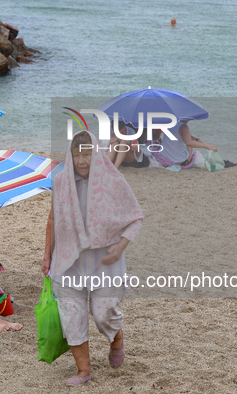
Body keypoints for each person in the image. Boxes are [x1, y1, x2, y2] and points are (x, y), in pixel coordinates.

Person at [42, 131, 143, 385]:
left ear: (95, 153)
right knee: (72, 315)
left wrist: (120, 246)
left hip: (105, 261)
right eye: (77, 155)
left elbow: (135, 217)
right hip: (68, 260)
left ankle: (116, 338)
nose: (82, 161)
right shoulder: (62, 181)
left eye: (87, 154)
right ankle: (83, 371)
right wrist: (47, 255)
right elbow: (53, 218)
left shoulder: (112, 180)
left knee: (103, 313)